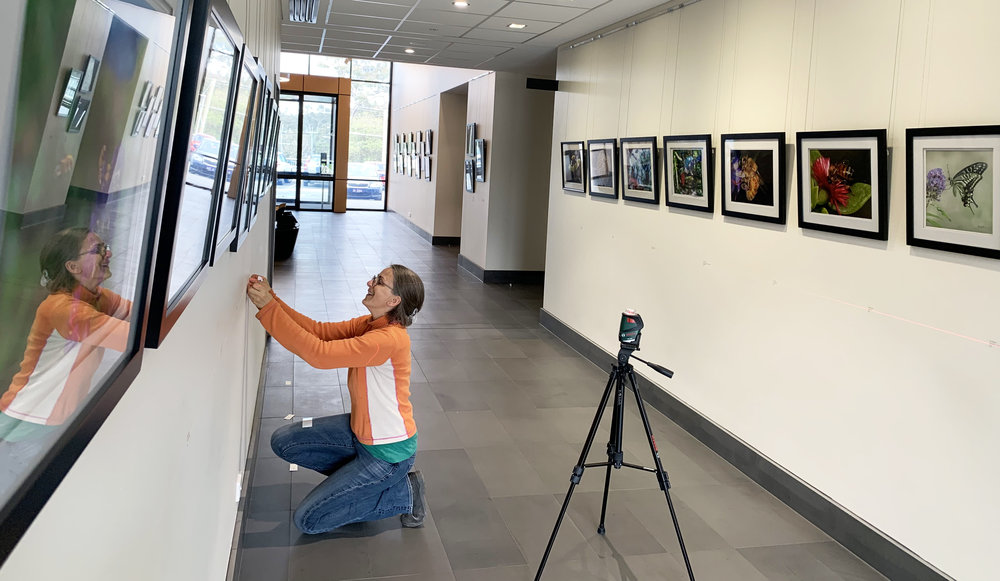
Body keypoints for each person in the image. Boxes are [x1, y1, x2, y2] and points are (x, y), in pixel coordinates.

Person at [246, 264, 426, 533]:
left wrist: (269, 310)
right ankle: (354, 483)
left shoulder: (387, 339)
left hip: (387, 456)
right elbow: (319, 331)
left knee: (308, 521)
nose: (370, 282)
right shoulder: (370, 325)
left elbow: (319, 353)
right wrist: (273, 301)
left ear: (393, 300)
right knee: (284, 441)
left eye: (379, 281)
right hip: (360, 433)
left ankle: (405, 494)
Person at [0, 228, 130, 494]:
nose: (109, 253)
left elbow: (148, 314)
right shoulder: (64, 310)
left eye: (105, 246)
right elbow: (133, 336)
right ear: (72, 266)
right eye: (97, 250)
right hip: (26, 427)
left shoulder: (98, 298)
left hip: (54, 424)